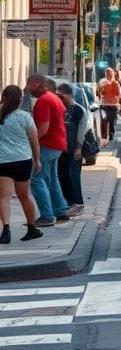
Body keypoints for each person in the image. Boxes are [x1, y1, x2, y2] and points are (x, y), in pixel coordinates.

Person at [25, 74, 70, 226]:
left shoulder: (43, 100)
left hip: (47, 144)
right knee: (51, 178)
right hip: (58, 144)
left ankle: (47, 215)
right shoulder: (54, 98)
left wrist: (29, 142)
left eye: (28, 84)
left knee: (36, 179)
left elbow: (43, 129)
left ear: (37, 84)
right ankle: (60, 210)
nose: (27, 88)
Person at [0, 86, 43, 242]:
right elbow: (34, 141)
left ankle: (6, 229)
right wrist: (37, 159)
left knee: (3, 197)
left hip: (2, 161)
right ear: (19, 100)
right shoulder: (25, 117)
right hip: (22, 161)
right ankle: (32, 228)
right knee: (24, 195)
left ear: (4, 97)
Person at [56, 83, 86, 214]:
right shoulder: (60, 108)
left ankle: (78, 202)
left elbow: (81, 130)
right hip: (61, 148)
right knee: (63, 175)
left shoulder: (78, 110)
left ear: (68, 95)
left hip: (74, 148)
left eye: (62, 96)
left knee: (74, 175)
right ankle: (67, 201)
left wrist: (79, 147)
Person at [97, 67, 121, 144]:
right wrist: (101, 89)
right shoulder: (102, 82)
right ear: (105, 74)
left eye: (110, 74)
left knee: (112, 122)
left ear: (113, 74)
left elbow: (119, 95)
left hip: (113, 106)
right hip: (104, 105)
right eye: (107, 74)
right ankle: (105, 137)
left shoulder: (115, 83)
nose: (109, 75)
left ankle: (110, 136)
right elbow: (97, 93)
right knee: (104, 121)